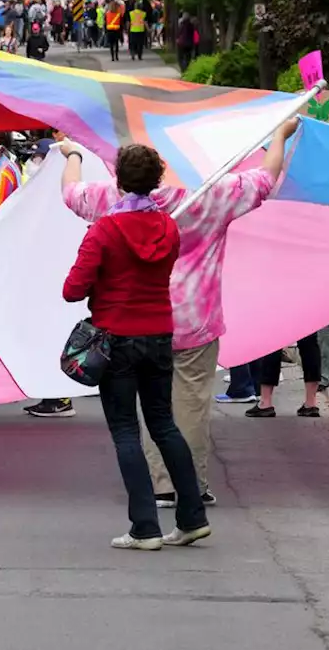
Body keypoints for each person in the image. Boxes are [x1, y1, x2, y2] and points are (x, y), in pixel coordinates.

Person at [59, 118, 296, 507]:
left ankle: (159, 484)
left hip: (132, 325)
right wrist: (280, 137)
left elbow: (71, 192)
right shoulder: (209, 195)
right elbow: (265, 180)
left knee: (147, 406)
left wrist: (72, 154)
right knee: (189, 406)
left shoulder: (109, 203)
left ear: (121, 175)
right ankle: (191, 485)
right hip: (195, 320)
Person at [62, 144, 211, 550]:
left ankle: (144, 526)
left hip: (116, 339)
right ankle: (192, 517)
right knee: (164, 424)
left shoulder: (104, 231)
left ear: (118, 180)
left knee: (126, 429)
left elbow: (72, 290)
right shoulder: (168, 227)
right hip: (160, 333)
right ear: (156, 181)